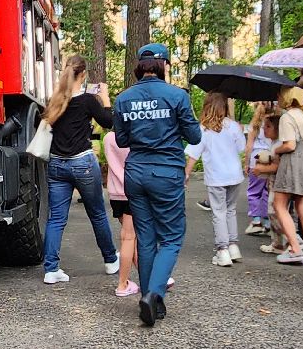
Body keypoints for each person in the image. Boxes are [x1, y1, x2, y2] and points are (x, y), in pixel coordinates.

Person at [114, 42, 202, 327]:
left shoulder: (124, 98)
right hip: (166, 172)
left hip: (136, 172)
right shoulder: (177, 96)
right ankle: (153, 293)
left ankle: (155, 304)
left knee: (146, 236)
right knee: (173, 236)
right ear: (164, 65)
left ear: (140, 65)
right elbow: (195, 136)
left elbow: (122, 140)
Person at [39, 55, 120, 284]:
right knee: (97, 214)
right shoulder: (87, 101)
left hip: (57, 164)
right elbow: (108, 122)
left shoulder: (55, 101)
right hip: (83, 163)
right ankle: (110, 260)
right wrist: (104, 97)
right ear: (83, 75)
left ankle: (51, 269)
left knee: (56, 219)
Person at [186, 92, 246, 267]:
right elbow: (241, 148)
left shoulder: (203, 129)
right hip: (234, 176)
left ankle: (222, 250)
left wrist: (186, 174)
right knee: (231, 209)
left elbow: (193, 155)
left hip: (216, 177)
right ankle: (234, 246)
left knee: (218, 212)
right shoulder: (234, 126)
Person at [260, 85, 303, 264]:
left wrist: (277, 149)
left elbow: (290, 145)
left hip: (293, 162)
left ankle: (294, 247)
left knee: (279, 205)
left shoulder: (287, 117)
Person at [103, 129, 139, 297]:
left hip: (115, 193)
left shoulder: (109, 138)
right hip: (132, 191)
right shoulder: (135, 136)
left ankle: (154, 276)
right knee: (129, 237)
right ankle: (122, 284)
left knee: (132, 239)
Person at [243, 102, 275, 239]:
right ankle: (268, 222)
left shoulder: (255, 125)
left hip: (256, 158)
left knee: (253, 191)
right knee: (267, 191)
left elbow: (249, 146)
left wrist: (246, 163)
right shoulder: (275, 122)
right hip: (270, 157)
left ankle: (256, 221)